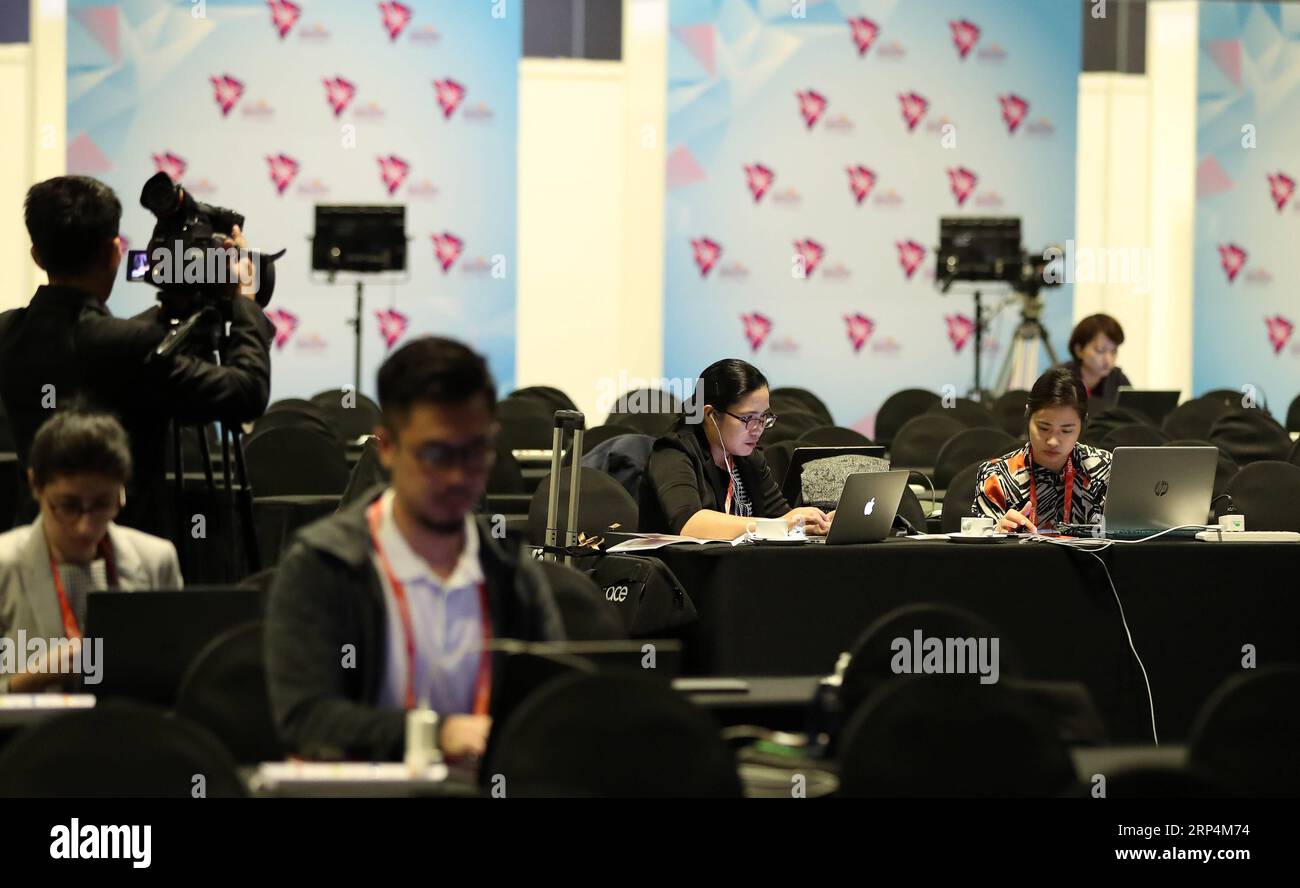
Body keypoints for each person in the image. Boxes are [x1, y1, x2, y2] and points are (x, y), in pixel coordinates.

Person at [265, 337, 563, 763]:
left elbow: (550, 708)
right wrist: (435, 733)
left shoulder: (510, 570)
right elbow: (305, 718)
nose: (459, 476)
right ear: (386, 447)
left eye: (476, 451)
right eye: (436, 454)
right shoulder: (324, 565)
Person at [0, 175, 273, 538]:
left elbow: (94, 340)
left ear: (36, 254)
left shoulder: (7, 333)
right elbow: (246, 392)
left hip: (35, 541)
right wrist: (243, 300)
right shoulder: (133, 347)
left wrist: (175, 310)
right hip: (123, 558)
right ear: (114, 252)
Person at [0, 412, 182, 693]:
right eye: (68, 506)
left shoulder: (156, 560)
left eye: (102, 504)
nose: (85, 527)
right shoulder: (4, 564)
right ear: (35, 486)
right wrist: (24, 682)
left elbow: (176, 681)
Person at [639, 359, 832, 539]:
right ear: (710, 414)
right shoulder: (673, 452)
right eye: (748, 419)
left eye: (764, 417)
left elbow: (779, 520)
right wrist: (783, 523)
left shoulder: (750, 459)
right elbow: (690, 524)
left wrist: (810, 524)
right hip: (678, 571)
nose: (758, 429)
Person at [974, 368, 1112, 533]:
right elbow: (978, 552)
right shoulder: (996, 476)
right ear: (1028, 415)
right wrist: (996, 533)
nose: (1053, 441)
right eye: (1043, 428)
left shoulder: (1105, 470)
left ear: (1083, 424)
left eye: (1066, 430)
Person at [1054, 313, 1132, 403]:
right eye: (1100, 350)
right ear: (1079, 350)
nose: (1108, 360)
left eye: (1113, 351)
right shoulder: (1059, 379)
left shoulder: (1118, 379)